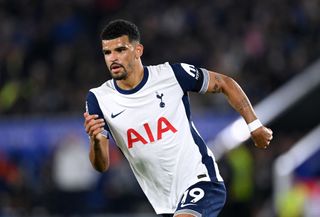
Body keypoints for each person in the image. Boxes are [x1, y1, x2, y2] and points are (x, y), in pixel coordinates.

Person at [83, 19, 273, 217]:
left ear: (138, 50)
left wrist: (255, 125)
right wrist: (96, 140)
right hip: (164, 203)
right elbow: (101, 165)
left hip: (200, 180)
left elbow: (224, 82)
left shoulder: (171, 75)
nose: (113, 58)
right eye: (107, 52)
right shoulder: (99, 98)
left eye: (120, 50)